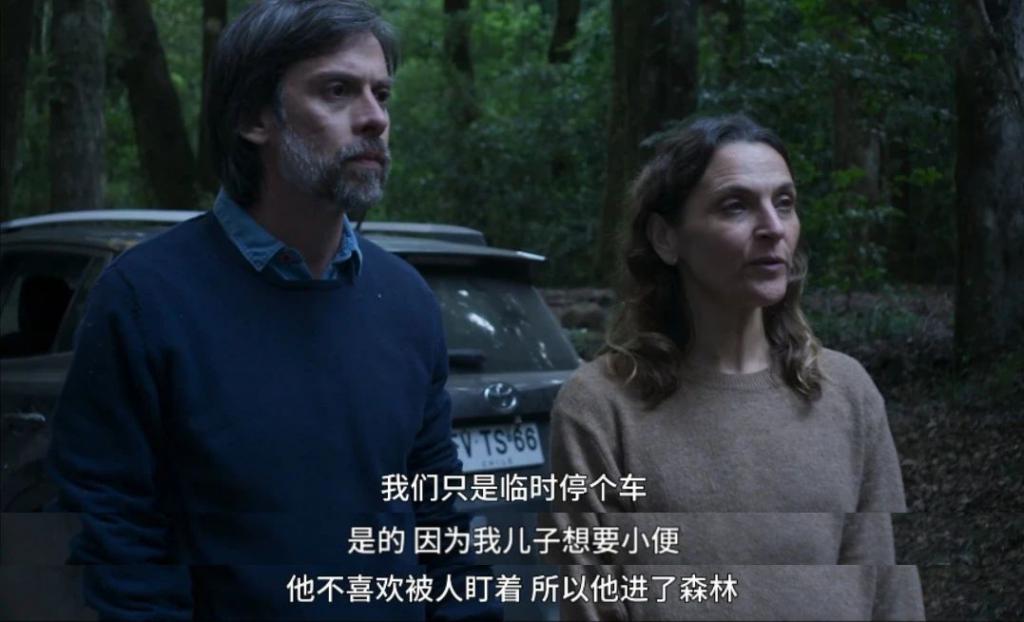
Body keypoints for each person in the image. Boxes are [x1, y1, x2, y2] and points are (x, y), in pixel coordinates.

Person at [47, 1, 499, 620]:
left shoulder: (405, 299)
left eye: (382, 94)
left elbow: (438, 516)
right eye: (337, 91)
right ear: (252, 117)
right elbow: (115, 539)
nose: (374, 118)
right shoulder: (144, 299)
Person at [549, 115, 925, 620]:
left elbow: (885, 592)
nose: (773, 228)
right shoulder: (599, 407)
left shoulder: (847, 392)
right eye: (736, 206)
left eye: (784, 203)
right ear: (666, 238)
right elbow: (591, 603)